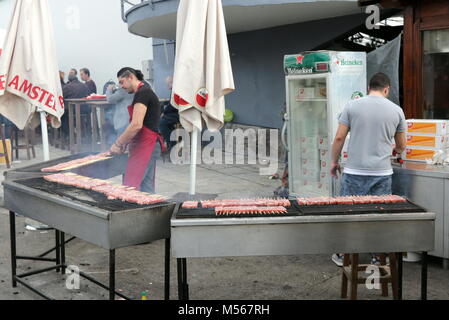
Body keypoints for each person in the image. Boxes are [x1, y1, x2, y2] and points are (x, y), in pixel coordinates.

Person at [330, 72, 406, 267]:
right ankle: (377, 257)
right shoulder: (397, 110)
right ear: (387, 89)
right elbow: (401, 145)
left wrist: (333, 161)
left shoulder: (352, 106)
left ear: (368, 88)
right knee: (378, 215)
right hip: (382, 173)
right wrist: (394, 148)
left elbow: (339, 138)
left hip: (355, 172)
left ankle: (343, 254)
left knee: (349, 212)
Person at [109, 67, 165, 194]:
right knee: (146, 187)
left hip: (147, 145)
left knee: (131, 187)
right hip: (149, 144)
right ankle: (151, 211)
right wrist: (126, 143)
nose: (121, 86)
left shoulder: (143, 93)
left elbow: (136, 125)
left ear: (131, 77)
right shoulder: (145, 89)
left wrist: (118, 143)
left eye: (122, 82)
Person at [61, 71, 89, 140]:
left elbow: (62, 97)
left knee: (62, 117)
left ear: (69, 80)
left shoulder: (67, 87)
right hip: (83, 111)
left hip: (71, 112)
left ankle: (69, 135)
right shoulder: (84, 85)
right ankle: (82, 136)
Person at [158, 76, 179, 151]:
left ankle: (171, 145)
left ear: (172, 82)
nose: (167, 86)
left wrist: (164, 112)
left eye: (168, 84)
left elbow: (173, 105)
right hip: (176, 113)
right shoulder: (175, 90)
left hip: (179, 114)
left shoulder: (176, 90)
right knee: (166, 123)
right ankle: (172, 144)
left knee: (161, 123)